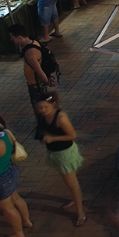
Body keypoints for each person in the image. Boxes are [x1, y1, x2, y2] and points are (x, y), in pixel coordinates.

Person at [34, 94, 88, 227]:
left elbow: (72, 135)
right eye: (40, 107)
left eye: (45, 107)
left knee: (72, 184)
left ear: (53, 104)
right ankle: (76, 200)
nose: (42, 110)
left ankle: (80, 212)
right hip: (55, 153)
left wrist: (52, 138)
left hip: (65, 154)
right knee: (70, 181)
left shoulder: (61, 118)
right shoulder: (43, 115)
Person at [9, 25, 58, 104]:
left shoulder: (30, 53)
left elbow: (38, 71)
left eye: (12, 37)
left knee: (40, 107)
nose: (11, 39)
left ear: (19, 38)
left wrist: (47, 82)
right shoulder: (35, 42)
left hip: (36, 85)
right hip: (39, 84)